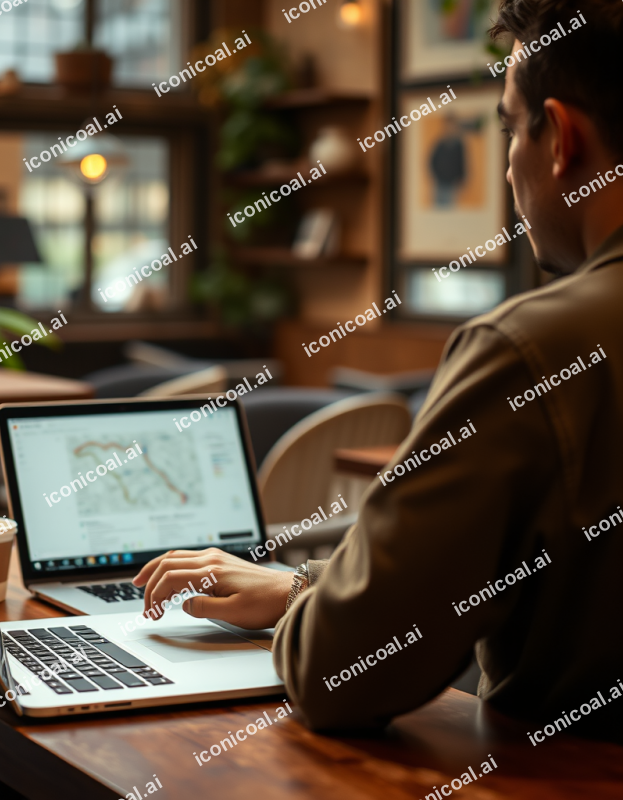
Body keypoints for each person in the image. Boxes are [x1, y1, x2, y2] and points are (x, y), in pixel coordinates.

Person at [134, 0, 623, 740]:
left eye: (506, 128)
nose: (508, 166)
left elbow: (340, 673)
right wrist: (308, 586)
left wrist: (311, 616)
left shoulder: (533, 350)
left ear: (560, 138)